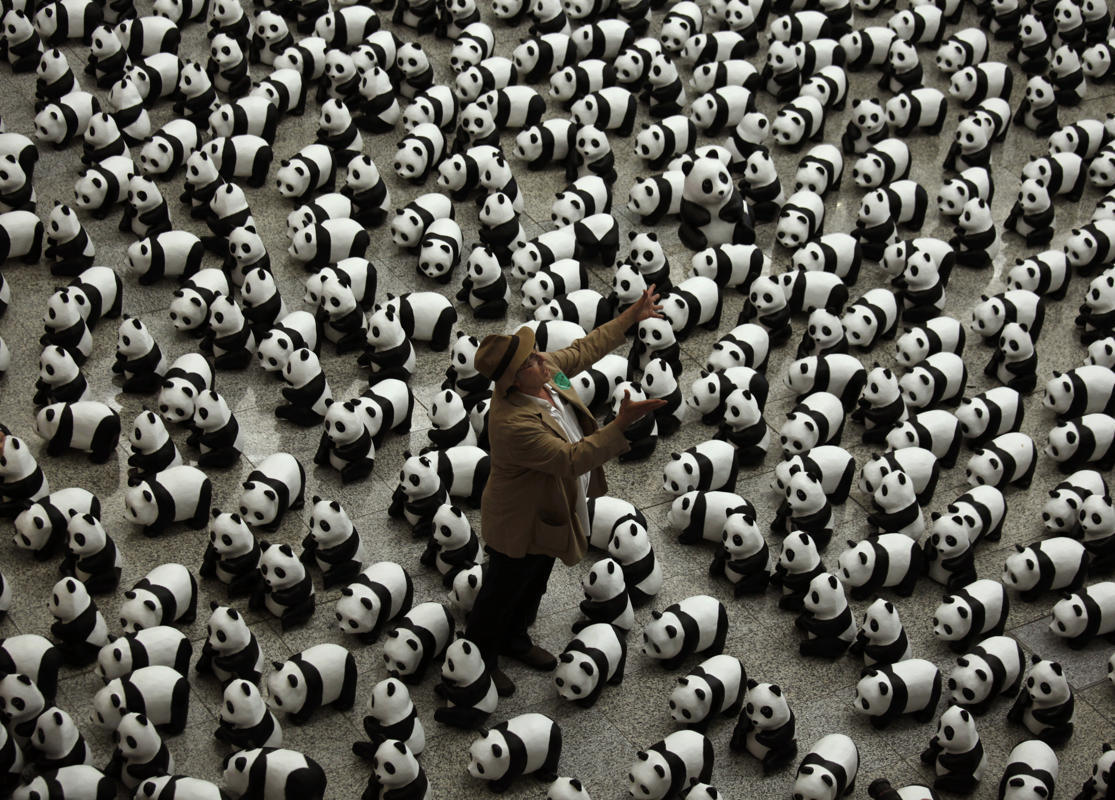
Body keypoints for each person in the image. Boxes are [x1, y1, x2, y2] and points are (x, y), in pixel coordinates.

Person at [467, 286, 667, 696]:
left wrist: (631, 316)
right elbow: (570, 459)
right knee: (500, 591)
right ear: (513, 379)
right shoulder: (512, 423)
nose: (542, 357)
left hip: (552, 505)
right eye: (531, 359)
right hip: (518, 520)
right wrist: (619, 424)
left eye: (537, 354)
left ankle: (515, 640)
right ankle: (481, 660)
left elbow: (582, 350)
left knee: (535, 579)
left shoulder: (543, 377)